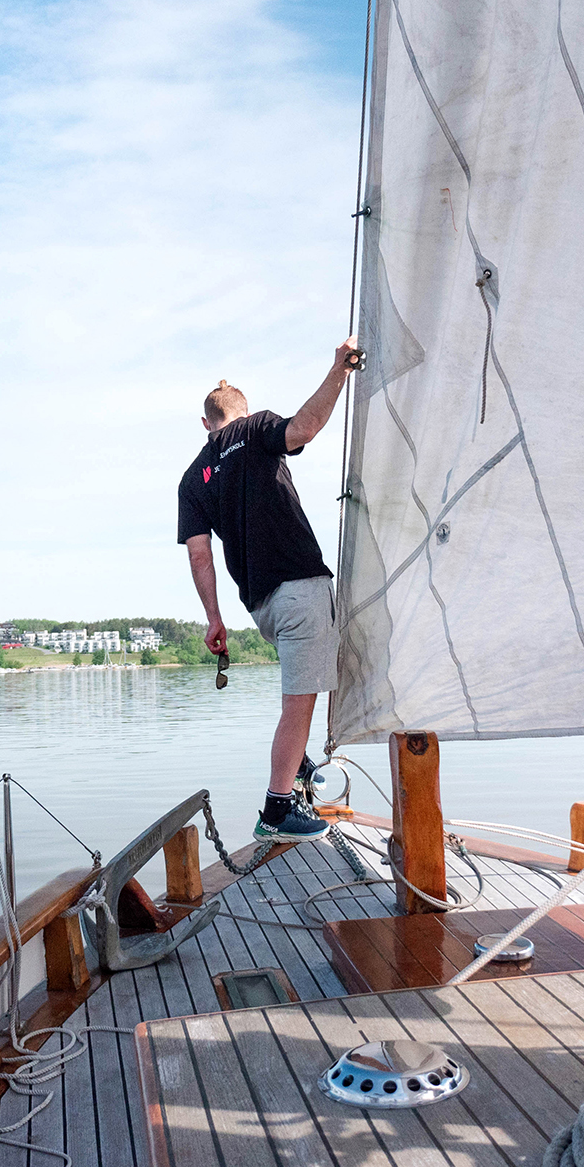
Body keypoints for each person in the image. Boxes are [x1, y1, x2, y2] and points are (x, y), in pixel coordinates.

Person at [178, 339, 359, 843]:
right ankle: (277, 810)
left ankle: (297, 767)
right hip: (299, 586)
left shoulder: (193, 478)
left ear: (205, 423)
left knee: (302, 688)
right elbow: (305, 428)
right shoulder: (257, 429)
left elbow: (199, 555)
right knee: (299, 702)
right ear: (245, 410)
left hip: (260, 604)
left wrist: (214, 620)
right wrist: (339, 369)